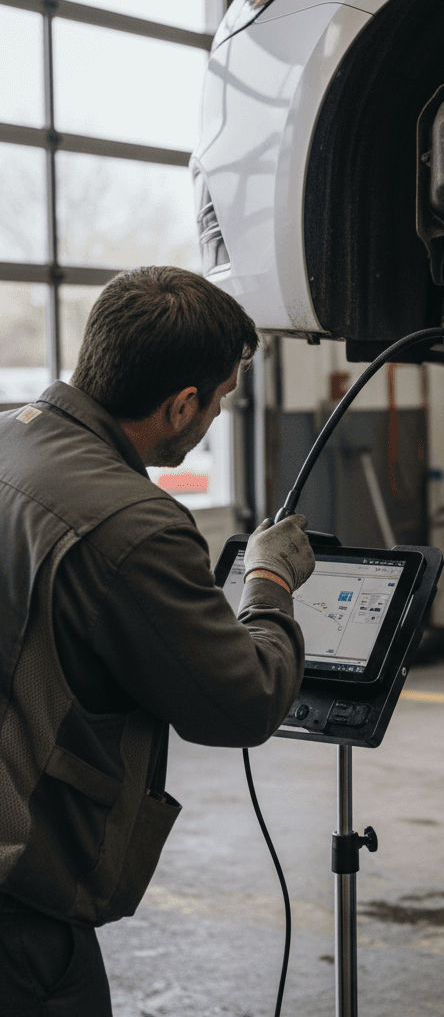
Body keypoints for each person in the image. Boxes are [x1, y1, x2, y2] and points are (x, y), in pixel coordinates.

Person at [0, 265, 315, 1015]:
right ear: (181, 404)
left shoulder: (8, 435)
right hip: (19, 903)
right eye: (219, 400)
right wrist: (268, 582)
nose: (213, 417)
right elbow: (241, 703)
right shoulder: (133, 525)